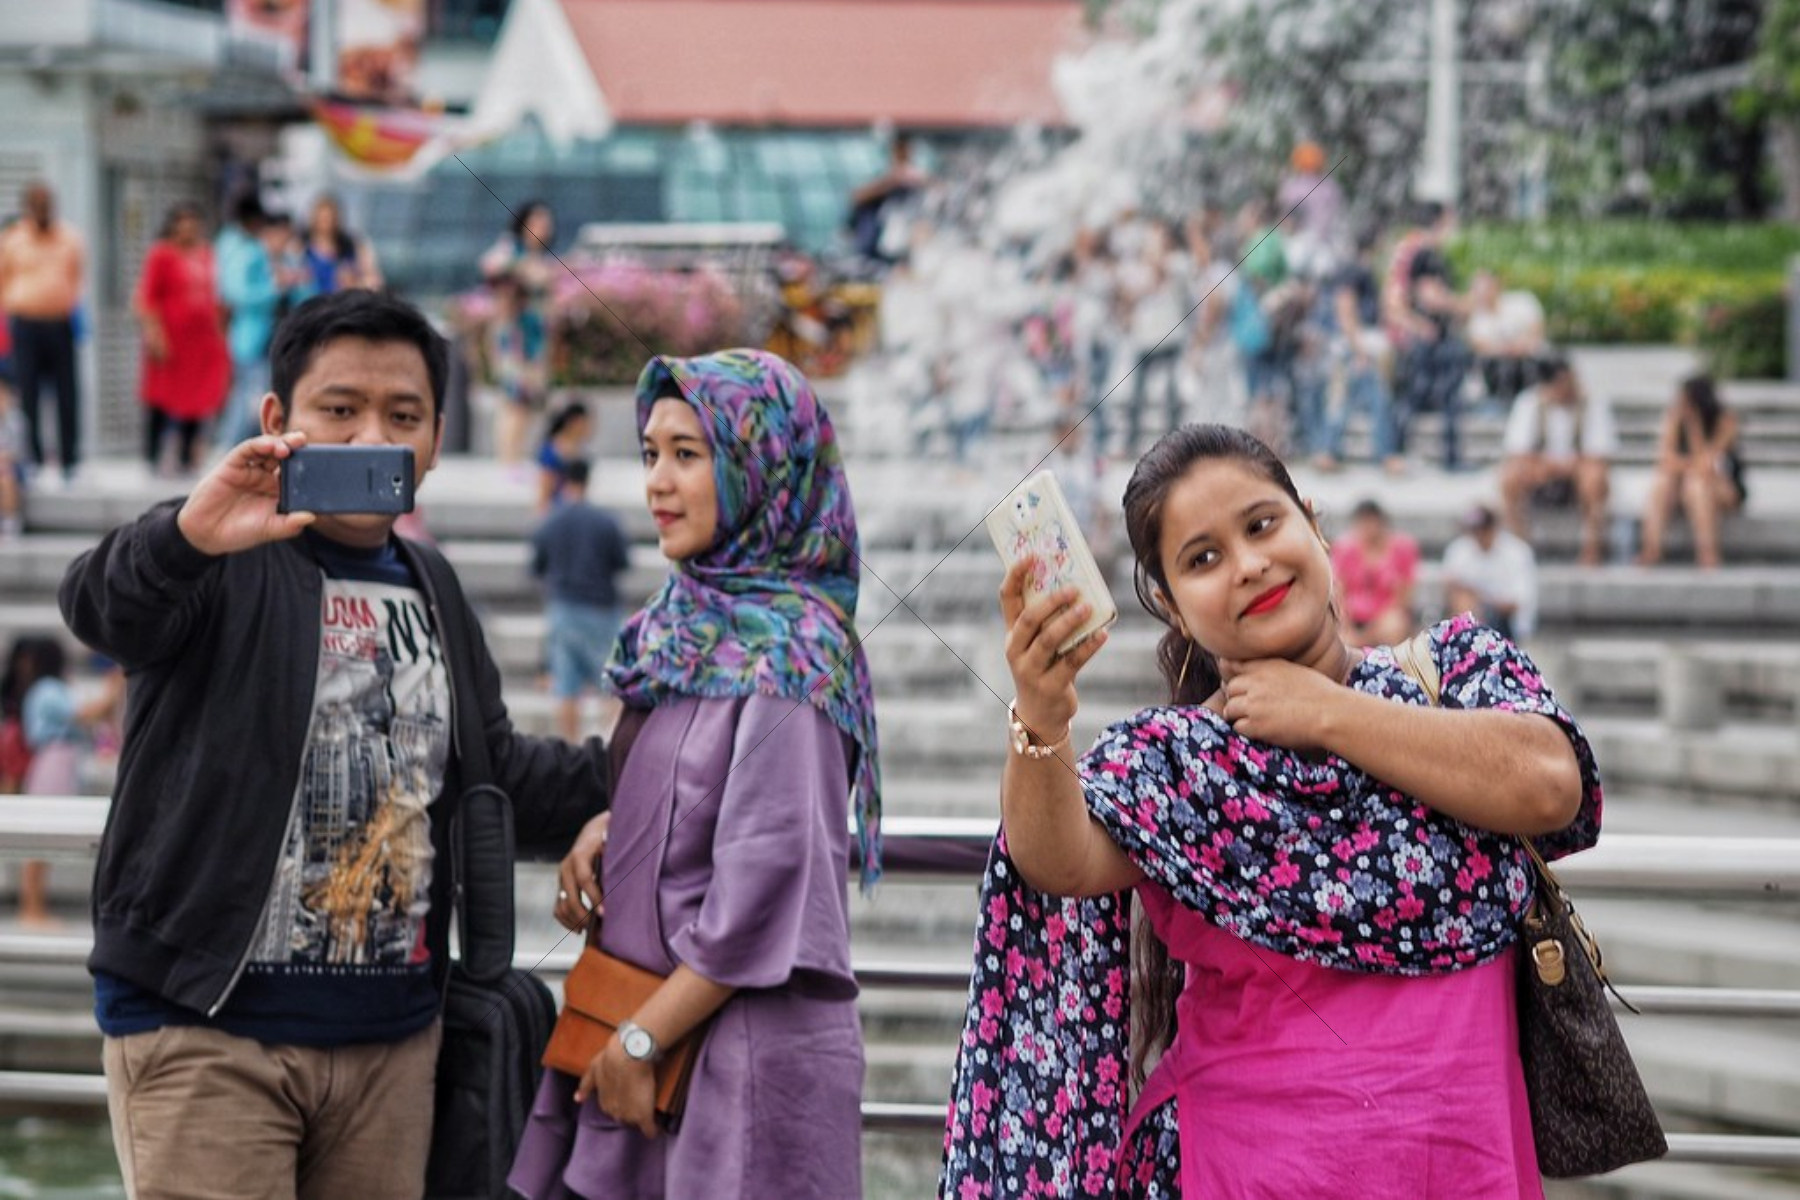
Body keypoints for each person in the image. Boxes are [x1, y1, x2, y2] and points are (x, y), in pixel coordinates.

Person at [943, 423, 1601, 1196]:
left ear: (1313, 525)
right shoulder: (1175, 757)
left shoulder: (1457, 669)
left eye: (1262, 525)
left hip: (1464, 1166)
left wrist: (1327, 713)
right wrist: (1042, 716)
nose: (1249, 566)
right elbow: (1055, 859)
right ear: (1174, 608)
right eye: (1203, 559)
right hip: (1248, 1172)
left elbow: (1550, 784)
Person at [58, 290, 611, 1197]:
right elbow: (100, 607)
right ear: (279, 419)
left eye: (402, 416)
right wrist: (188, 536)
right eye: (339, 410)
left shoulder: (433, 582)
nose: (367, 439)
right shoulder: (216, 546)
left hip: (391, 1051)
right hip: (207, 1032)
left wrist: (657, 767)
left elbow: (497, 773)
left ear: (435, 442)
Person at [510, 349, 881, 1200]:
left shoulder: (796, 653)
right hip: (644, 1032)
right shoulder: (678, 629)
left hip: (735, 1060)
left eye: (689, 453)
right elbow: (701, 789)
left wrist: (639, 1043)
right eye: (649, 453)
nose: (657, 483)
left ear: (760, 466)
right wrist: (623, 828)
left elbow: (769, 881)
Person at [531, 458, 631, 743]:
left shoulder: (551, 519)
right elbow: (621, 563)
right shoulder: (606, 521)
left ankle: (571, 747)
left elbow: (537, 566)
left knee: (565, 685)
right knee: (611, 684)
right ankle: (606, 744)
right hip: (601, 609)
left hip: (563, 608)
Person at [0, 182, 85, 480]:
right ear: (27, 207)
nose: (42, 209)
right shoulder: (14, 240)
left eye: (46, 203)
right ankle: (33, 458)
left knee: (67, 392)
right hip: (25, 325)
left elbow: (76, 277)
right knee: (29, 392)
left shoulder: (69, 238)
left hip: (59, 324)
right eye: (36, 204)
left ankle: (69, 460)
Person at [136, 204, 230, 474]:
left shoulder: (206, 254)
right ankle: (152, 456)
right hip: (171, 342)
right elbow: (147, 298)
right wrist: (154, 334)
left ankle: (188, 458)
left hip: (200, 343)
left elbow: (214, 296)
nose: (188, 230)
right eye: (183, 223)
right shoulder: (161, 255)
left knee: (197, 399)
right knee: (161, 397)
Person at [1499, 357, 1616, 565]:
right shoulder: (1529, 402)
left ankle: (1592, 548)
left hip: (1577, 473)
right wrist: (1545, 466)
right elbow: (1516, 452)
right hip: (1539, 472)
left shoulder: (1593, 403)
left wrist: (1561, 466)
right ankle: (1520, 548)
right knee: (1509, 478)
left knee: (1594, 478)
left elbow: (1600, 455)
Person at [1384, 201, 1470, 469]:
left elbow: (1394, 294)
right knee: (1435, 393)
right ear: (1439, 222)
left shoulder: (1406, 248)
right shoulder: (1424, 252)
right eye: (1450, 221)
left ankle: (1396, 452)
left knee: (1416, 394)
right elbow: (1427, 296)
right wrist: (1468, 303)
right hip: (1423, 338)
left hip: (1413, 335)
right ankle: (1448, 457)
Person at [1636, 374, 1745, 570]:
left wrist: (1694, 428)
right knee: (1662, 483)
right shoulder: (1674, 418)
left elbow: (1707, 464)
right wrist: (1687, 463)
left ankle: (1708, 552)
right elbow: (1665, 460)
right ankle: (1651, 548)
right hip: (1684, 487)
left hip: (1722, 487)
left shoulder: (1725, 420)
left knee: (1697, 484)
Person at [481, 201, 558, 470]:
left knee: (529, 401)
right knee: (513, 398)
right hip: (514, 338)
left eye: (546, 223)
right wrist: (521, 269)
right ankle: (507, 460)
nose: (543, 228)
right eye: (537, 222)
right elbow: (491, 268)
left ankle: (517, 457)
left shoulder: (541, 258)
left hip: (536, 340)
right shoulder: (510, 250)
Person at [1330, 498, 1419, 647]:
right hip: (1354, 619)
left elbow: (1404, 597)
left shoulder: (1402, 548)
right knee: (1341, 637)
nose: (1368, 528)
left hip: (1387, 617)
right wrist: (1347, 625)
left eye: (1372, 522)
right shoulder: (1345, 549)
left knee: (1393, 626)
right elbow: (1340, 592)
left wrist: (1369, 633)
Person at [1444, 503, 1539, 641]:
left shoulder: (1517, 553)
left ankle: (1468, 642)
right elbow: (1450, 588)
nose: (1479, 534)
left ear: (1493, 527)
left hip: (1507, 623)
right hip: (1476, 615)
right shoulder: (1459, 549)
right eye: (1474, 530)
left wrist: (1478, 596)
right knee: (1463, 600)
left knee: (1466, 601)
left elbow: (1515, 605)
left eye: (1483, 528)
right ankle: (1467, 641)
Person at [1467, 270, 1547, 408]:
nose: (1481, 294)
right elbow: (1480, 345)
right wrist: (1507, 349)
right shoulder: (1477, 318)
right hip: (1500, 365)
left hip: (1528, 358)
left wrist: (1521, 346)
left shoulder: (1522, 302)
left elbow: (1537, 330)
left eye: (1485, 289)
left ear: (1496, 286)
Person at [303, 193, 382, 295]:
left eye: (331, 218)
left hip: (343, 300)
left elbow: (373, 278)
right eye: (323, 219)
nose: (328, 223)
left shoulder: (351, 245)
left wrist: (355, 282)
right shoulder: (302, 246)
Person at [536, 400, 593, 513]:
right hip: (558, 510)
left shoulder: (578, 448)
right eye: (585, 422)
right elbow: (545, 487)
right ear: (574, 422)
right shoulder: (553, 450)